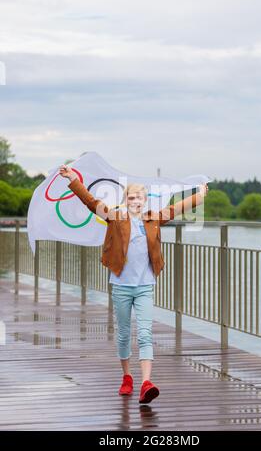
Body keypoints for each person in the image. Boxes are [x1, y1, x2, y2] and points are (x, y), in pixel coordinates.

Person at [59, 164, 208, 404]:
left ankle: (146, 383)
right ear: (125, 200)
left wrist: (199, 194)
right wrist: (73, 179)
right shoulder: (115, 217)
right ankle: (127, 376)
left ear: (145, 199)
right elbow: (90, 202)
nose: (135, 200)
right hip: (121, 286)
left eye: (139, 197)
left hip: (145, 286)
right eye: (130, 197)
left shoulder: (154, 218)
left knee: (145, 334)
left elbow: (179, 207)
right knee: (124, 334)